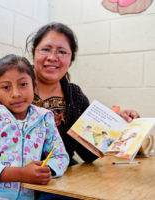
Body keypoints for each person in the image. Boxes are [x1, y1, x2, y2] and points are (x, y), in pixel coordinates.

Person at [26, 22, 140, 199]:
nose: (53, 57)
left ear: (71, 59)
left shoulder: (75, 96)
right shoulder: (11, 88)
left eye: (62, 52)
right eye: (45, 49)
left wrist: (116, 124)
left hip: (58, 184)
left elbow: (89, 154)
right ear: (33, 51)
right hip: (15, 183)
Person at [0, 54, 69, 200]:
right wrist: (22, 174)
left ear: (34, 85)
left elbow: (60, 156)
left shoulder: (44, 118)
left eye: (23, 84)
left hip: (23, 196)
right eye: (6, 87)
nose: (16, 94)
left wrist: (46, 171)